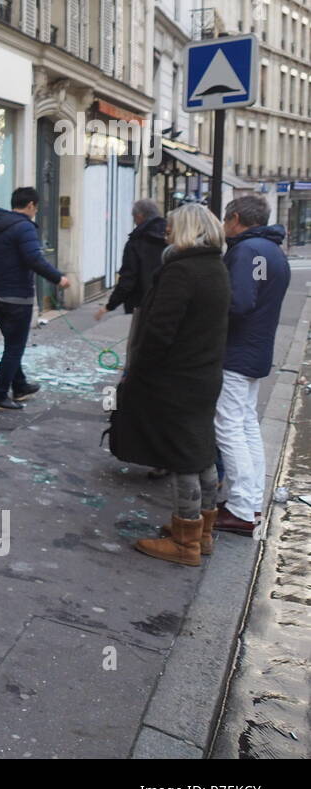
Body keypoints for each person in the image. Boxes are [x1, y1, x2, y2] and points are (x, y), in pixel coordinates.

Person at [111, 204, 230, 566]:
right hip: (204, 375)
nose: (166, 233)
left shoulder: (181, 272)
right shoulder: (216, 267)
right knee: (202, 453)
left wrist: (138, 375)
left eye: (171, 228)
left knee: (183, 461)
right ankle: (202, 533)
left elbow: (158, 333)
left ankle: (185, 541)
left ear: (187, 231)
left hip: (176, 380)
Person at [213, 195, 291, 536]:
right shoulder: (274, 250)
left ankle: (242, 509)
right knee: (246, 426)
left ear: (234, 218)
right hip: (257, 350)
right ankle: (251, 502)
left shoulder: (246, 251)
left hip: (237, 350)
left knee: (229, 426)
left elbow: (239, 302)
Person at [0, 187, 70, 411]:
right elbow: (34, 259)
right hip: (17, 298)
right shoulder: (24, 228)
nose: (36, 211)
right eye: (36, 207)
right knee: (14, 348)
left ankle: (19, 386)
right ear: (30, 205)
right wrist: (58, 279)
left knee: (12, 345)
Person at [94, 198, 166, 321]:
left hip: (141, 304)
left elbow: (128, 279)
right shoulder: (171, 237)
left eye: (134, 218)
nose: (134, 222)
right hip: (167, 302)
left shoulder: (136, 242)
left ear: (140, 216)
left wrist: (110, 306)